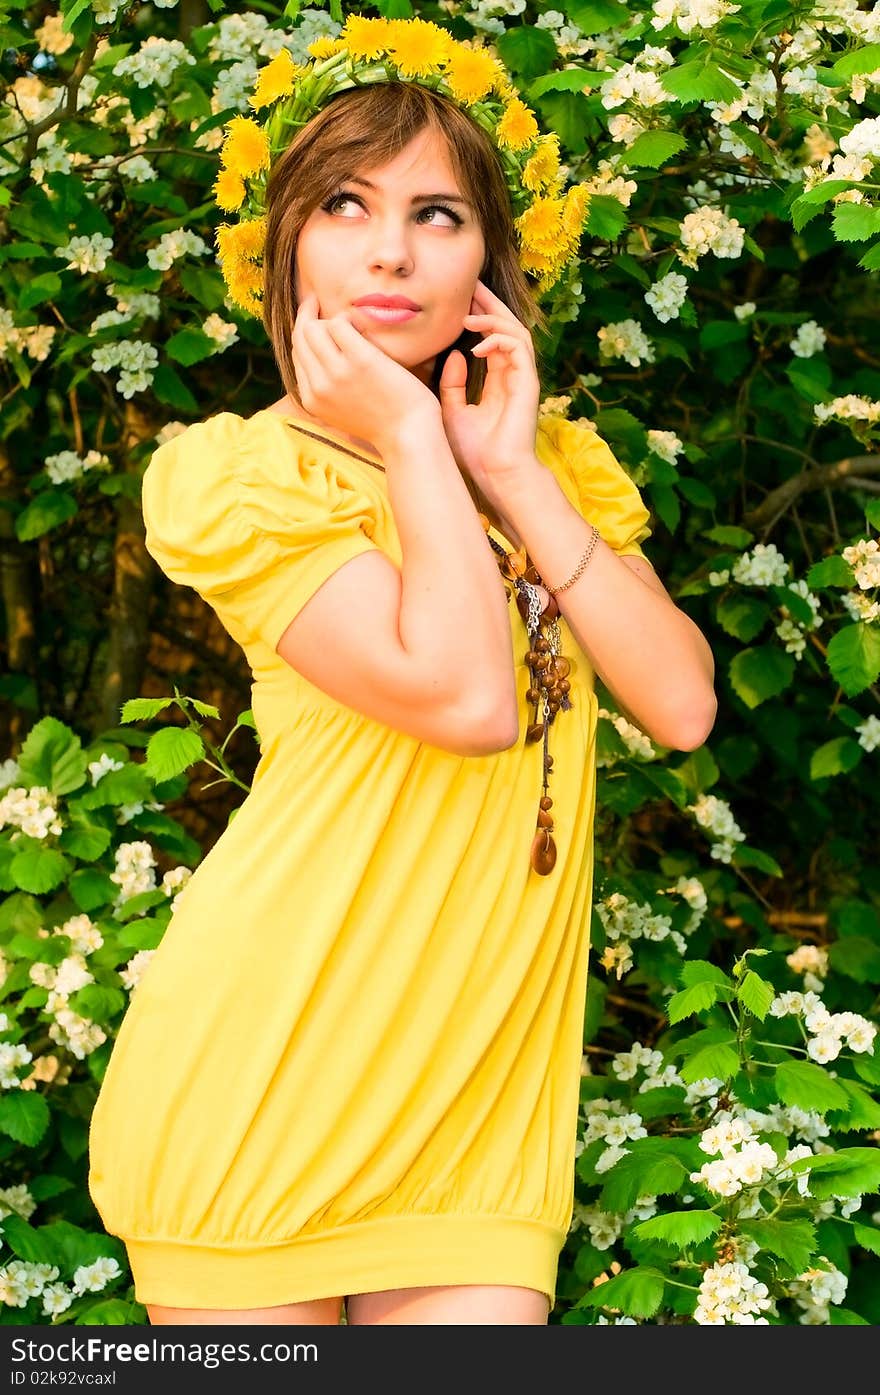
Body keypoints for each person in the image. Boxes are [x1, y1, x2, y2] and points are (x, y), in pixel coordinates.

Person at [87, 16, 717, 1327]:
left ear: (493, 256)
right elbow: (471, 702)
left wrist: (518, 475)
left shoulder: (544, 465)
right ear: (284, 247)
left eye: (438, 214)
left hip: (480, 1108)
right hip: (265, 1085)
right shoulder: (237, 476)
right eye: (345, 206)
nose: (389, 249)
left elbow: (682, 703)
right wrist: (420, 444)